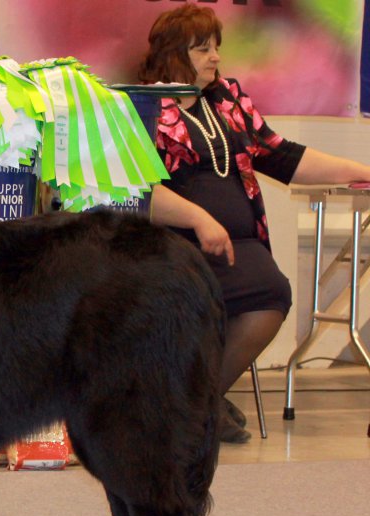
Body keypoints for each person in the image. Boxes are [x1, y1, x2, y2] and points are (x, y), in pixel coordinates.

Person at [141, 4, 370, 442]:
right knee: (254, 290)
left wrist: (357, 169)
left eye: (217, 48)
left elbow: (283, 156)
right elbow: (134, 190)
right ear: (174, 52)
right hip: (174, 246)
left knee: (271, 292)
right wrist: (201, 218)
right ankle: (199, 407)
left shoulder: (226, 99)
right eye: (203, 48)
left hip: (239, 248)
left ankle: (194, 405)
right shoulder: (145, 107)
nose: (215, 57)